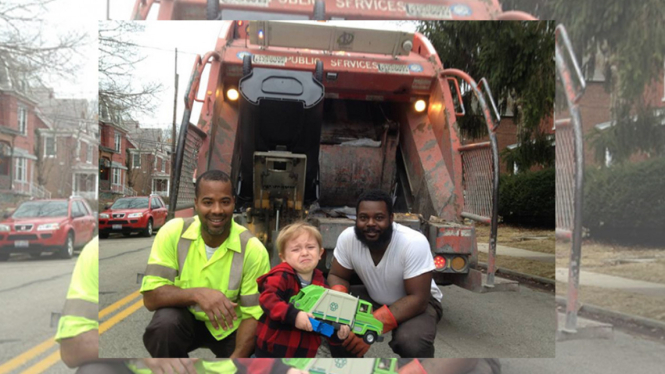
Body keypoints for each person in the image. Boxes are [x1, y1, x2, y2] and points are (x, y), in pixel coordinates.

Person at [141, 170, 271, 358]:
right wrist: (198, 294)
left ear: (234, 203)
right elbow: (151, 298)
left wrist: (233, 365)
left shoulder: (252, 249)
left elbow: (253, 315)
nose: (217, 210)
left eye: (225, 202)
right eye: (208, 202)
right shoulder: (173, 233)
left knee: (260, 353)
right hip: (185, 320)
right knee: (164, 325)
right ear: (196, 203)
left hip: (232, 327)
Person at [327, 189, 443, 358]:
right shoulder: (348, 239)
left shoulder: (412, 242)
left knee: (411, 343)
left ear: (391, 219)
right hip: (373, 297)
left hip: (419, 302)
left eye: (379, 218)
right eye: (363, 217)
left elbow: (418, 299)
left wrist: (370, 326)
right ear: (356, 219)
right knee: (336, 330)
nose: (370, 223)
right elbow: (338, 275)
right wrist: (341, 311)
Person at [254, 222, 350, 357]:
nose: (305, 253)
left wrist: (337, 333)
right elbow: (268, 299)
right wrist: (294, 315)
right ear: (283, 257)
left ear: (320, 253)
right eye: (296, 249)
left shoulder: (322, 283)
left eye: (310, 247)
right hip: (272, 351)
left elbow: (325, 320)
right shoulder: (281, 275)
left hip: (303, 355)